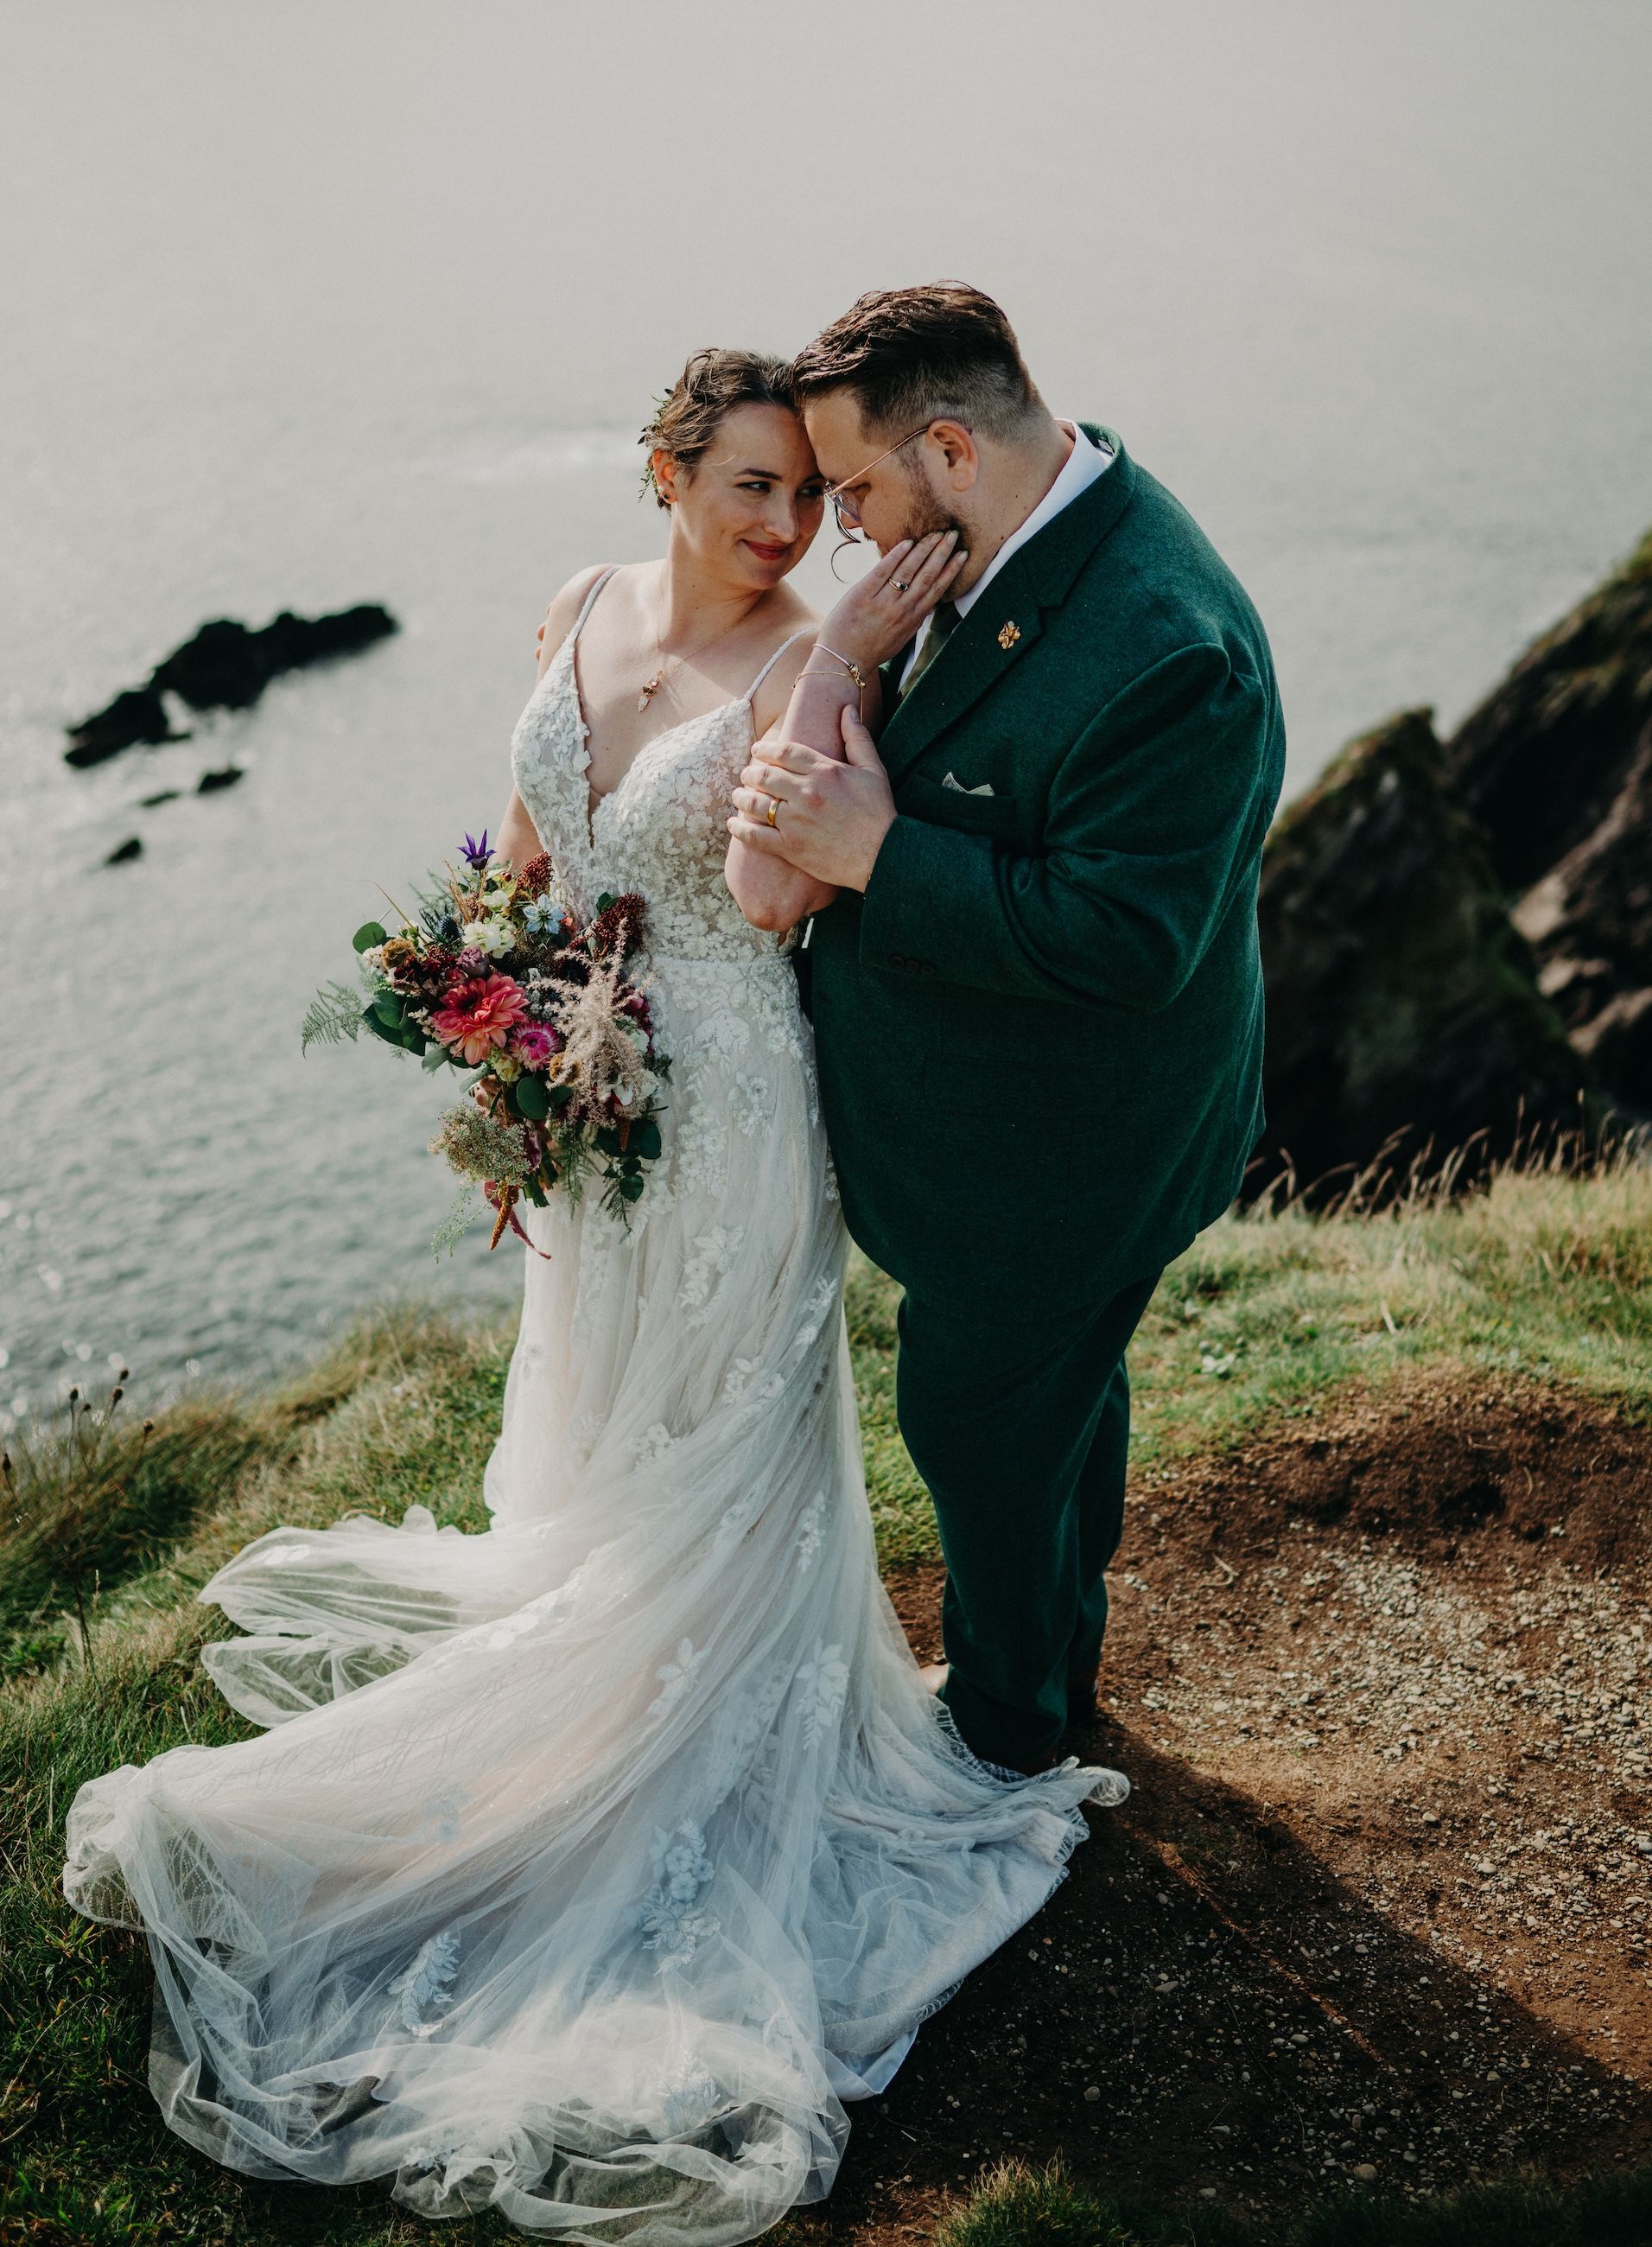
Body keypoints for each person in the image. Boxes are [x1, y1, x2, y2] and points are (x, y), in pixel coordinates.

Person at [63, 347, 1127, 2243]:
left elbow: (781, 900)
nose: (789, 525)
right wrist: (505, 1005)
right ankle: (580, 1669)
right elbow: (534, 840)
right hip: (588, 1103)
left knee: (708, 1454)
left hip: (726, 1121)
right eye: (748, 486)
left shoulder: (819, 658)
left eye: (809, 493)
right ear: (662, 476)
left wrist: (841, 680)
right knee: (593, 1426)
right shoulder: (576, 606)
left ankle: (663, 1726)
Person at [727, 284, 1286, 1779]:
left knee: (978, 1432)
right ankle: (1055, 1650)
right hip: (999, 1143)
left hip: (1062, 1163)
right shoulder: (994, 542)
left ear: (955, 449)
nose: (840, 528)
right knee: (1052, 1411)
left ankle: (1009, 1735)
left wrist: (875, 855)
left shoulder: (1168, 649)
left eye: (854, 490)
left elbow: (1129, 941)